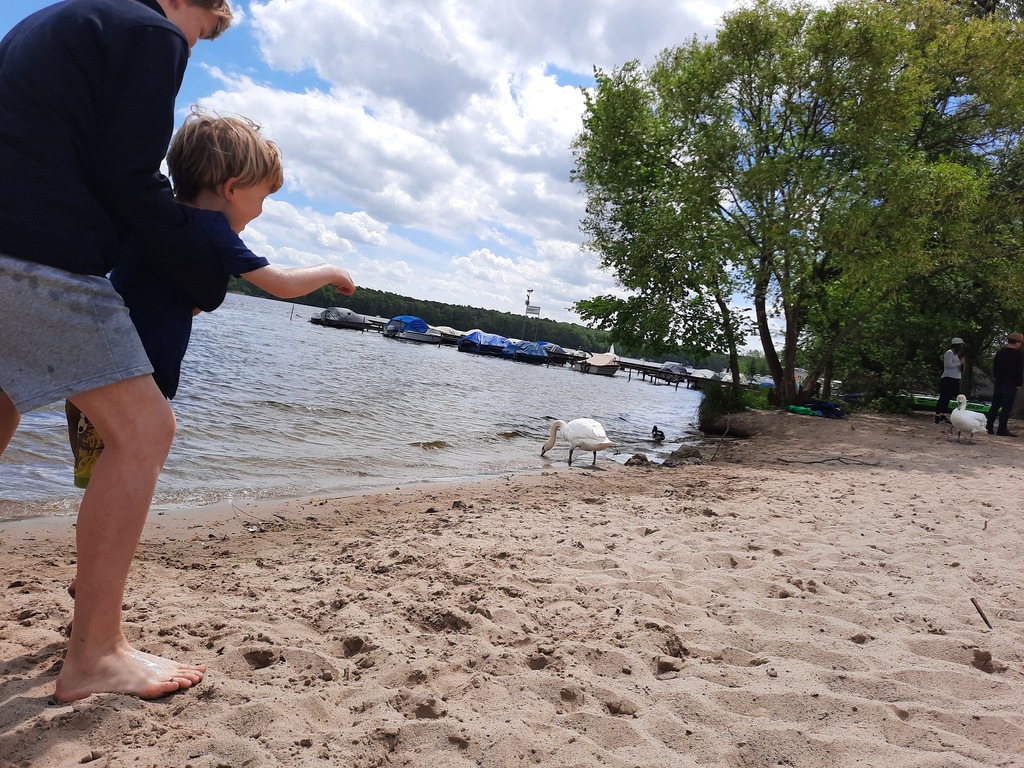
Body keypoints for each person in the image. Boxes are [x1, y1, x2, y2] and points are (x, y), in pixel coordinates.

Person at [0, 0, 234, 702]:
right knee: (144, 431)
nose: (187, 52)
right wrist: (198, 273)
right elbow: (130, 179)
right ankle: (95, 654)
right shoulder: (149, 31)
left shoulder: (54, 20)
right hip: (38, 251)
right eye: (198, 36)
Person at [68, 108, 357, 484]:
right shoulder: (212, 227)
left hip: (98, 359)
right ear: (232, 188)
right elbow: (281, 283)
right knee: (126, 472)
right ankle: (108, 543)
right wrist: (331, 271)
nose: (259, 211)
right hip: (130, 372)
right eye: (262, 198)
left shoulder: (161, 216)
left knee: (103, 475)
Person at [986, 332, 1024, 437]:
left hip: (999, 382)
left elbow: (995, 368)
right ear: (1017, 343)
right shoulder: (1018, 355)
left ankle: (989, 426)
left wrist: (997, 378)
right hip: (1011, 384)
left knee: (994, 406)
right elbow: (1019, 371)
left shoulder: (1000, 352)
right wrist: (1019, 383)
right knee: (1007, 408)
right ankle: (1002, 428)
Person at [935, 337, 966, 424]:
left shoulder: (957, 355)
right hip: (948, 378)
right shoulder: (949, 353)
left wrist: (962, 364)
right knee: (943, 397)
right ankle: (937, 416)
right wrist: (959, 363)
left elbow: (960, 368)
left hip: (955, 378)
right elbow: (948, 365)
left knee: (948, 398)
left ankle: (943, 415)